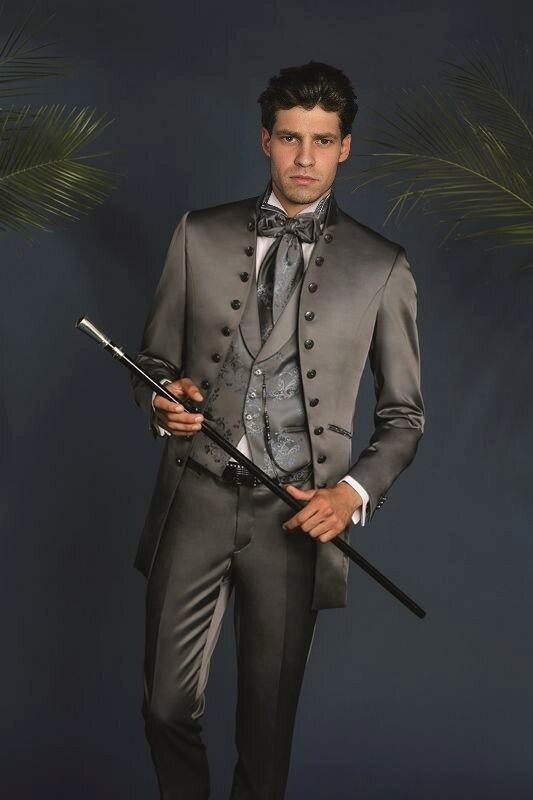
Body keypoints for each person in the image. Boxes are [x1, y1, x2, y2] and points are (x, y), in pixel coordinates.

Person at [131, 60, 425, 800]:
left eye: (321, 141)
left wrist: (350, 493)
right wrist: (164, 397)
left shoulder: (383, 266)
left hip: (293, 520)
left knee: (266, 736)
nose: (304, 157)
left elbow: (403, 416)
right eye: (290, 138)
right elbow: (153, 361)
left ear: (344, 148)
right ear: (265, 139)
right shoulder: (197, 234)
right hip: (195, 497)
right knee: (165, 707)